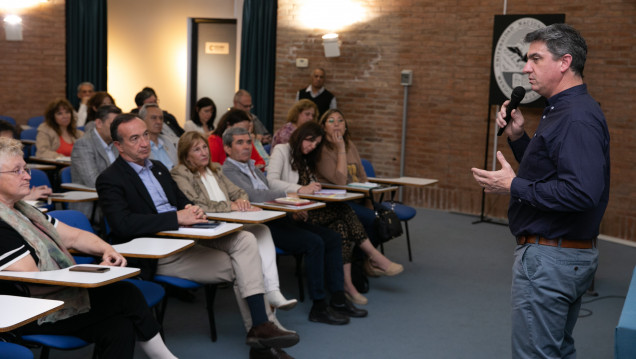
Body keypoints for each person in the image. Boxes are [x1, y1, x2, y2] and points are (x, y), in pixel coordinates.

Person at [96, 114, 299, 352]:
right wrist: (176, 218)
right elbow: (123, 224)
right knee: (246, 266)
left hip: (189, 239)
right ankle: (264, 340)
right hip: (158, 253)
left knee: (245, 241)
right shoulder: (110, 179)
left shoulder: (159, 168)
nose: (144, 143)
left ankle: (261, 330)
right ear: (119, 146)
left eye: (146, 135)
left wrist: (190, 209)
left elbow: (182, 202)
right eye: (134, 138)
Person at [470, 24, 610, 359]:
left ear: (564, 62)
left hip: (552, 259)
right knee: (556, 350)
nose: (525, 67)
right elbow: (551, 172)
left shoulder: (575, 117)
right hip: (561, 256)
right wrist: (519, 137)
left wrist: (513, 185)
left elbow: (581, 192)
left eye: (535, 58)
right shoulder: (560, 108)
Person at [0, 137, 177, 359]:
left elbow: (74, 237)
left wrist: (106, 250)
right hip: (28, 313)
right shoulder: (1, 224)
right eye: (17, 171)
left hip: (53, 300)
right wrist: (85, 277)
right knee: (126, 294)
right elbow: (32, 284)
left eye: (25, 168)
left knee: (119, 326)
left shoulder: (25, 212)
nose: (27, 176)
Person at [220, 127, 363, 323]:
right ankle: (319, 306)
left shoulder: (252, 167)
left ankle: (338, 299)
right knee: (314, 242)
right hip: (263, 226)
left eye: (248, 142)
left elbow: (268, 191)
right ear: (227, 148)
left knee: (332, 237)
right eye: (240, 142)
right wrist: (289, 196)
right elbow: (254, 196)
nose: (246, 146)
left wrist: (292, 208)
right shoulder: (227, 170)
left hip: (280, 216)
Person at [267, 122, 403, 305]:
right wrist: (302, 189)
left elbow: (311, 184)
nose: (311, 147)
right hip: (292, 211)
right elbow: (271, 182)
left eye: (315, 145)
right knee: (344, 210)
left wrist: (314, 187)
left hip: (308, 206)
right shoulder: (282, 150)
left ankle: (346, 287)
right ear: (301, 135)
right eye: (310, 141)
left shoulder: (305, 158)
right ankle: (374, 257)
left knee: (341, 227)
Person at [170, 131, 297, 311]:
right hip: (206, 229)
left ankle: (273, 291)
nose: (204, 152)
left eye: (205, 147)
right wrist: (230, 206)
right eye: (196, 150)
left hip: (229, 222)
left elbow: (240, 192)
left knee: (262, 230)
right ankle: (266, 302)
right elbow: (198, 206)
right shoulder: (180, 173)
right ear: (186, 155)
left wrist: (241, 202)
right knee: (250, 239)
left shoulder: (215, 168)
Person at [314, 109, 379, 246]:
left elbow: (362, 176)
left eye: (340, 120)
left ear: (345, 126)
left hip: (359, 198)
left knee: (385, 217)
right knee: (373, 219)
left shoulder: (351, 145)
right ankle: (365, 260)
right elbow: (340, 181)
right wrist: (340, 148)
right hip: (339, 203)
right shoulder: (321, 150)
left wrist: (369, 201)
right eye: (331, 121)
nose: (336, 124)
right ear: (324, 127)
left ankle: (364, 260)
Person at [71, 105, 121, 188]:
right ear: (99, 123)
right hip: (93, 197)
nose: (118, 129)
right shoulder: (83, 144)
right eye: (113, 125)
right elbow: (94, 182)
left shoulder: (117, 142)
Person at [139, 103, 178, 169]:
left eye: (161, 118)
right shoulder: (140, 145)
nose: (159, 122)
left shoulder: (168, 141)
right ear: (142, 121)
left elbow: (178, 167)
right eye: (154, 118)